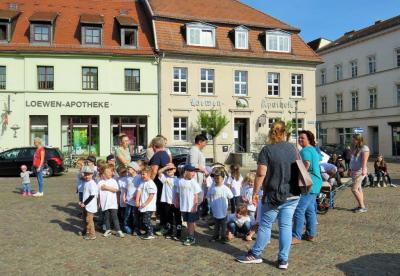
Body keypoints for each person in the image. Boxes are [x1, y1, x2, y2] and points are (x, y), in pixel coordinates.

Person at [236, 121, 301, 270]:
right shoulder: (293, 148)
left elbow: (260, 174)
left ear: (271, 133)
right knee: (285, 226)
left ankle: (255, 254)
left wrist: (255, 193)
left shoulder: (267, 150)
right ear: (284, 133)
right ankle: (283, 260)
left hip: (273, 195)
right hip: (293, 194)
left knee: (265, 225)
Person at [292, 130, 323, 245]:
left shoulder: (305, 151)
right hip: (316, 182)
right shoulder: (313, 150)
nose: (300, 140)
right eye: (299, 138)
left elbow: (305, 166)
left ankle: (296, 236)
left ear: (309, 139)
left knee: (299, 209)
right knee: (309, 209)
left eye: (302, 138)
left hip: (309, 183)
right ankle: (310, 234)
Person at [175, 164, 202, 246]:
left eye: (194, 171)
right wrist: (177, 201)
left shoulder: (194, 183)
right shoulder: (180, 181)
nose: (194, 173)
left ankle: (191, 236)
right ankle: (191, 233)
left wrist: (195, 205)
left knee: (190, 221)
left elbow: (196, 195)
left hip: (191, 206)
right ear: (186, 172)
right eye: (192, 171)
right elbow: (178, 193)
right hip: (184, 206)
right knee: (187, 221)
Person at [207, 167, 233, 243]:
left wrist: (231, 209)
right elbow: (208, 196)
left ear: (223, 178)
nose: (216, 179)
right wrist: (211, 206)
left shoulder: (225, 188)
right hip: (215, 211)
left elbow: (231, 197)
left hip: (223, 211)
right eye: (215, 178)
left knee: (223, 225)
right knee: (216, 225)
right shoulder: (212, 188)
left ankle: (223, 237)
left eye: (218, 178)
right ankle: (215, 236)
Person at [98, 164, 124, 238]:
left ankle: (118, 230)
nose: (110, 174)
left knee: (114, 217)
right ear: (103, 173)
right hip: (104, 204)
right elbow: (98, 194)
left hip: (112, 203)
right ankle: (108, 229)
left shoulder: (113, 181)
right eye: (108, 172)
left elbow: (116, 190)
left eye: (111, 172)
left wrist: (106, 187)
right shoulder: (100, 182)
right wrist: (98, 203)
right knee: (106, 217)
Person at [157, 163, 182, 239]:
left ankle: (178, 233)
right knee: (168, 218)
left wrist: (179, 202)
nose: (169, 171)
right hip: (167, 202)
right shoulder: (165, 178)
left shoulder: (179, 180)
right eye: (167, 170)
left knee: (178, 218)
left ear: (175, 170)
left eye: (171, 169)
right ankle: (170, 231)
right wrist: (166, 167)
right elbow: (159, 172)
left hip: (176, 203)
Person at [349, 134, 370, 213]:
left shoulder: (365, 148)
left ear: (359, 140)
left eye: (354, 139)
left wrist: (364, 170)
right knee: (359, 188)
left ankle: (362, 207)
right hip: (354, 170)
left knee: (354, 189)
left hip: (360, 171)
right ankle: (360, 205)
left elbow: (364, 160)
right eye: (353, 139)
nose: (353, 141)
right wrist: (350, 169)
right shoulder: (356, 148)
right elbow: (353, 159)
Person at [136, 166, 157, 240]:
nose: (142, 176)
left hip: (149, 206)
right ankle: (148, 231)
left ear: (149, 174)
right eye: (141, 174)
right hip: (142, 206)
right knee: (143, 220)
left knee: (146, 220)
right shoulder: (142, 182)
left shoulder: (151, 184)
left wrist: (145, 203)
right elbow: (139, 191)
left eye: (143, 174)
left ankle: (151, 233)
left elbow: (151, 195)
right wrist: (137, 201)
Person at [186, 134, 209, 204]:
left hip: (198, 179)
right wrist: (204, 170)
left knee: (198, 200)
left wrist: (204, 176)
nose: (205, 145)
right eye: (205, 142)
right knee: (195, 201)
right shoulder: (194, 150)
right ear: (199, 142)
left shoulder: (197, 150)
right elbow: (192, 165)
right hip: (195, 180)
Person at [79, 165, 98, 240]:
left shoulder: (92, 183)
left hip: (90, 205)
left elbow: (92, 195)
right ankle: (86, 231)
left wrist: (85, 203)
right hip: (85, 205)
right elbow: (84, 194)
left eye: (89, 174)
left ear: (92, 174)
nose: (87, 176)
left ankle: (92, 234)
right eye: (85, 174)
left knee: (89, 220)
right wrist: (81, 201)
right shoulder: (86, 182)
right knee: (84, 219)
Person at [123, 162, 141, 235]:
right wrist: (124, 196)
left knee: (135, 216)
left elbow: (140, 188)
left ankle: (136, 229)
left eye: (129, 168)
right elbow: (126, 188)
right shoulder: (128, 178)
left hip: (135, 201)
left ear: (134, 169)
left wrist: (136, 196)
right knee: (127, 215)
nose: (128, 170)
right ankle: (127, 227)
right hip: (128, 201)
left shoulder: (138, 177)